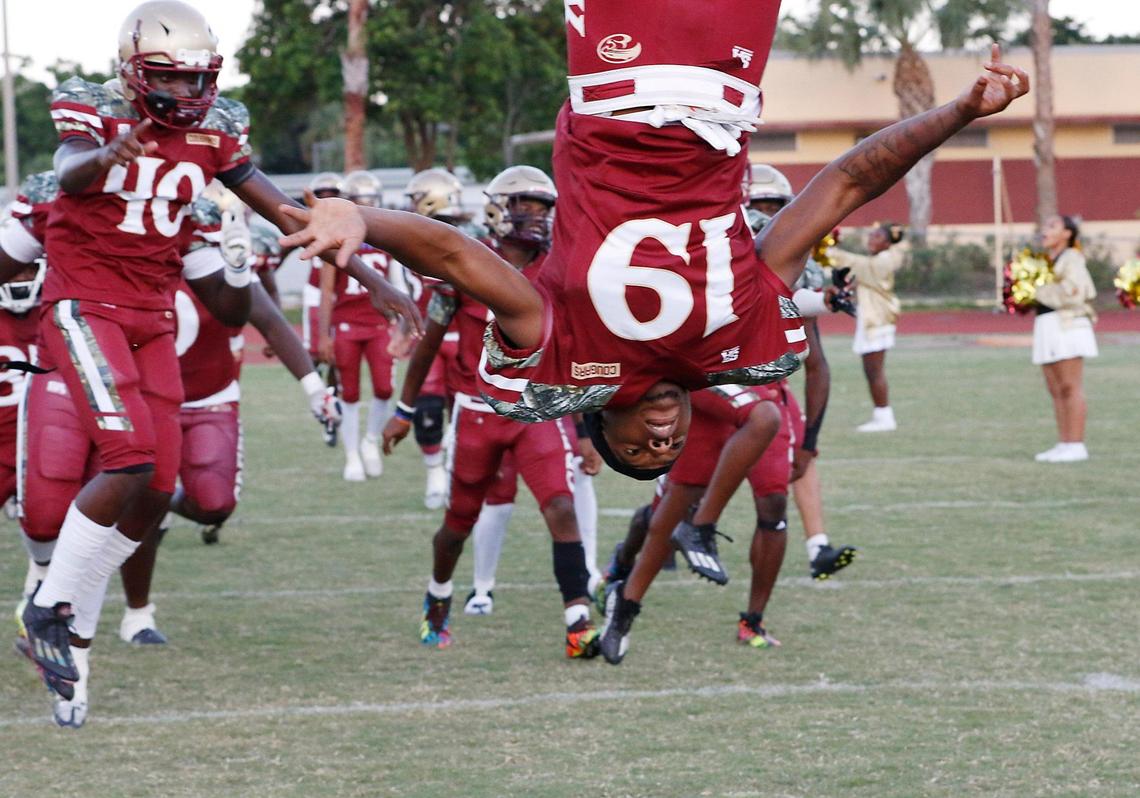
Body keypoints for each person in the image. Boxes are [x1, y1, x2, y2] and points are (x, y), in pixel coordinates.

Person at [282, 29, 1029, 481]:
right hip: (727, 83)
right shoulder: (735, 333)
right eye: (667, 454)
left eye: (641, 452)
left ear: (599, 420)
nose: (664, 440)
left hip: (620, 84)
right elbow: (847, 185)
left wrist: (363, 215)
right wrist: (959, 112)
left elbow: (450, 253)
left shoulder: (562, 348)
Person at [18, 0, 417, 722]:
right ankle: (49, 605)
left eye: (202, 79)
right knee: (130, 457)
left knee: (158, 485)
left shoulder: (215, 130)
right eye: (173, 79)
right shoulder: (92, 115)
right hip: (85, 306)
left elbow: (290, 219)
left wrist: (379, 280)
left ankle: (68, 614)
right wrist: (107, 156)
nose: (191, 94)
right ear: (135, 73)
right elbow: (71, 168)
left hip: (151, 317)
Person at [382, 166, 600, 657]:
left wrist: (585, 430)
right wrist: (404, 409)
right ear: (499, 209)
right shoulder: (468, 264)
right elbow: (428, 344)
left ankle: (578, 619)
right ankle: (438, 595)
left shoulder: (561, 270)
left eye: (544, 207)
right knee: (459, 521)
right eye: (525, 205)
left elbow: (577, 353)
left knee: (560, 506)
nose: (536, 217)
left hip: (537, 409)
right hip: (477, 412)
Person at [746, 164, 857, 580]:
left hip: (771, 389)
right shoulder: (720, 265)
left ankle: (818, 548)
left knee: (798, 458)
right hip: (718, 384)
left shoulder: (794, 274)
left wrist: (811, 438)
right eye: (759, 206)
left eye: (776, 207)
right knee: (691, 477)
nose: (767, 218)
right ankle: (661, 533)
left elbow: (815, 364)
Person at [318, 170, 401, 481]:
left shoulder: (386, 237)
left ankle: (369, 441)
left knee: (384, 387)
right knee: (349, 393)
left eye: (371, 201)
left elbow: (396, 283)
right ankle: (351, 455)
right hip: (346, 325)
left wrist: (401, 324)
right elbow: (327, 290)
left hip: (379, 324)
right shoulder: (335, 236)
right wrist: (323, 335)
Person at [399, 168, 465, 508]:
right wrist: (401, 332)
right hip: (429, 337)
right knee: (426, 410)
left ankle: (457, 471)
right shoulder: (410, 239)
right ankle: (435, 472)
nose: (410, 204)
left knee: (465, 413)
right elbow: (409, 292)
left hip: (466, 337)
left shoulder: (473, 238)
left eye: (415, 197)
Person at [830, 222, 908, 432]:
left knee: (874, 370)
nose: (871, 240)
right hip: (872, 318)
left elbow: (860, 267)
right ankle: (881, 414)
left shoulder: (883, 261)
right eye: (871, 236)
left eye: (877, 237)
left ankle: (884, 416)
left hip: (877, 320)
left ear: (887, 242)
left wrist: (829, 252)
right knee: (871, 370)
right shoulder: (879, 259)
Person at [1033, 214, 1097, 463]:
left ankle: (1076, 444)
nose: (1044, 230)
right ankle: (1064, 443)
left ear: (1067, 234)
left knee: (1070, 386)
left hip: (1068, 325)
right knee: (1055, 388)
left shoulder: (1072, 258)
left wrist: (1036, 291)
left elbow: (1073, 293)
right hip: (1047, 324)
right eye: (1044, 225)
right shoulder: (1043, 261)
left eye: (1052, 226)